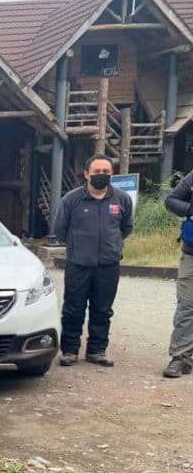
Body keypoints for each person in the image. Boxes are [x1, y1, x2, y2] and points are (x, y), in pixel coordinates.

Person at [53, 153, 133, 367]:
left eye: (106, 171)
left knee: (103, 310)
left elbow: (126, 227)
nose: (101, 174)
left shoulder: (121, 199)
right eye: (97, 171)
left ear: (112, 173)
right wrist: (78, 246)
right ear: (87, 174)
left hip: (108, 265)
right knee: (73, 308)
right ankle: (69, 350)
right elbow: (60, 229)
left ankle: (97, 350)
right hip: (78, 264)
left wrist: (112, 245)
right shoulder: (72, 199)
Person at [162, 170, 193, 377]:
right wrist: (190, 208)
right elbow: (171, 201)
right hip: (192, 254)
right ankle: (181, 357)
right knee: (187, 306)